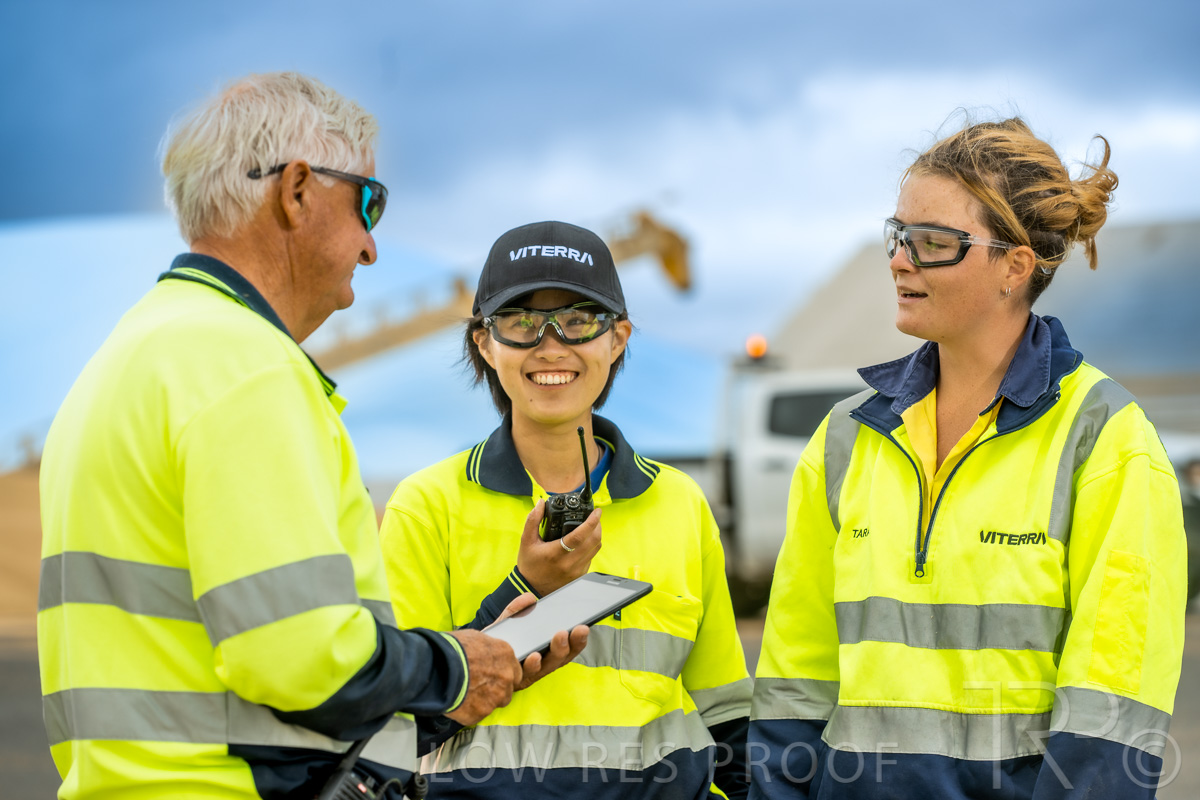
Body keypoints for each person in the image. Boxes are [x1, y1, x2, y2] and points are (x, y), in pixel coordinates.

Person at [37, 72, 583, 800]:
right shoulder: (245, 368)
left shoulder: (133, 354)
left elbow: (232, 665)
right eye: (369, 202)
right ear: (296, 191)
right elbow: (302, 660)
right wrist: (456, 669)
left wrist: (464, 667)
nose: (370, 247)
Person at [748, 117, 1187, 799]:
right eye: (898, 236)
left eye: (932, 243)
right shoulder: (844, 439)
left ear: (1015, 266)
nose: (900, 261)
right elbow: (794, 678)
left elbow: (1112, 711)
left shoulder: (1106, 441)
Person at [378, 220, 754, 798]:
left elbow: (725, 711)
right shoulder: (427, 506)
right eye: (520, 322)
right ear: (484, 343)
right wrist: (524, 589)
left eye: (579, 321)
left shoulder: (678, 502)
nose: (551, 346)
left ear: (618, 338)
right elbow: (396, 722)